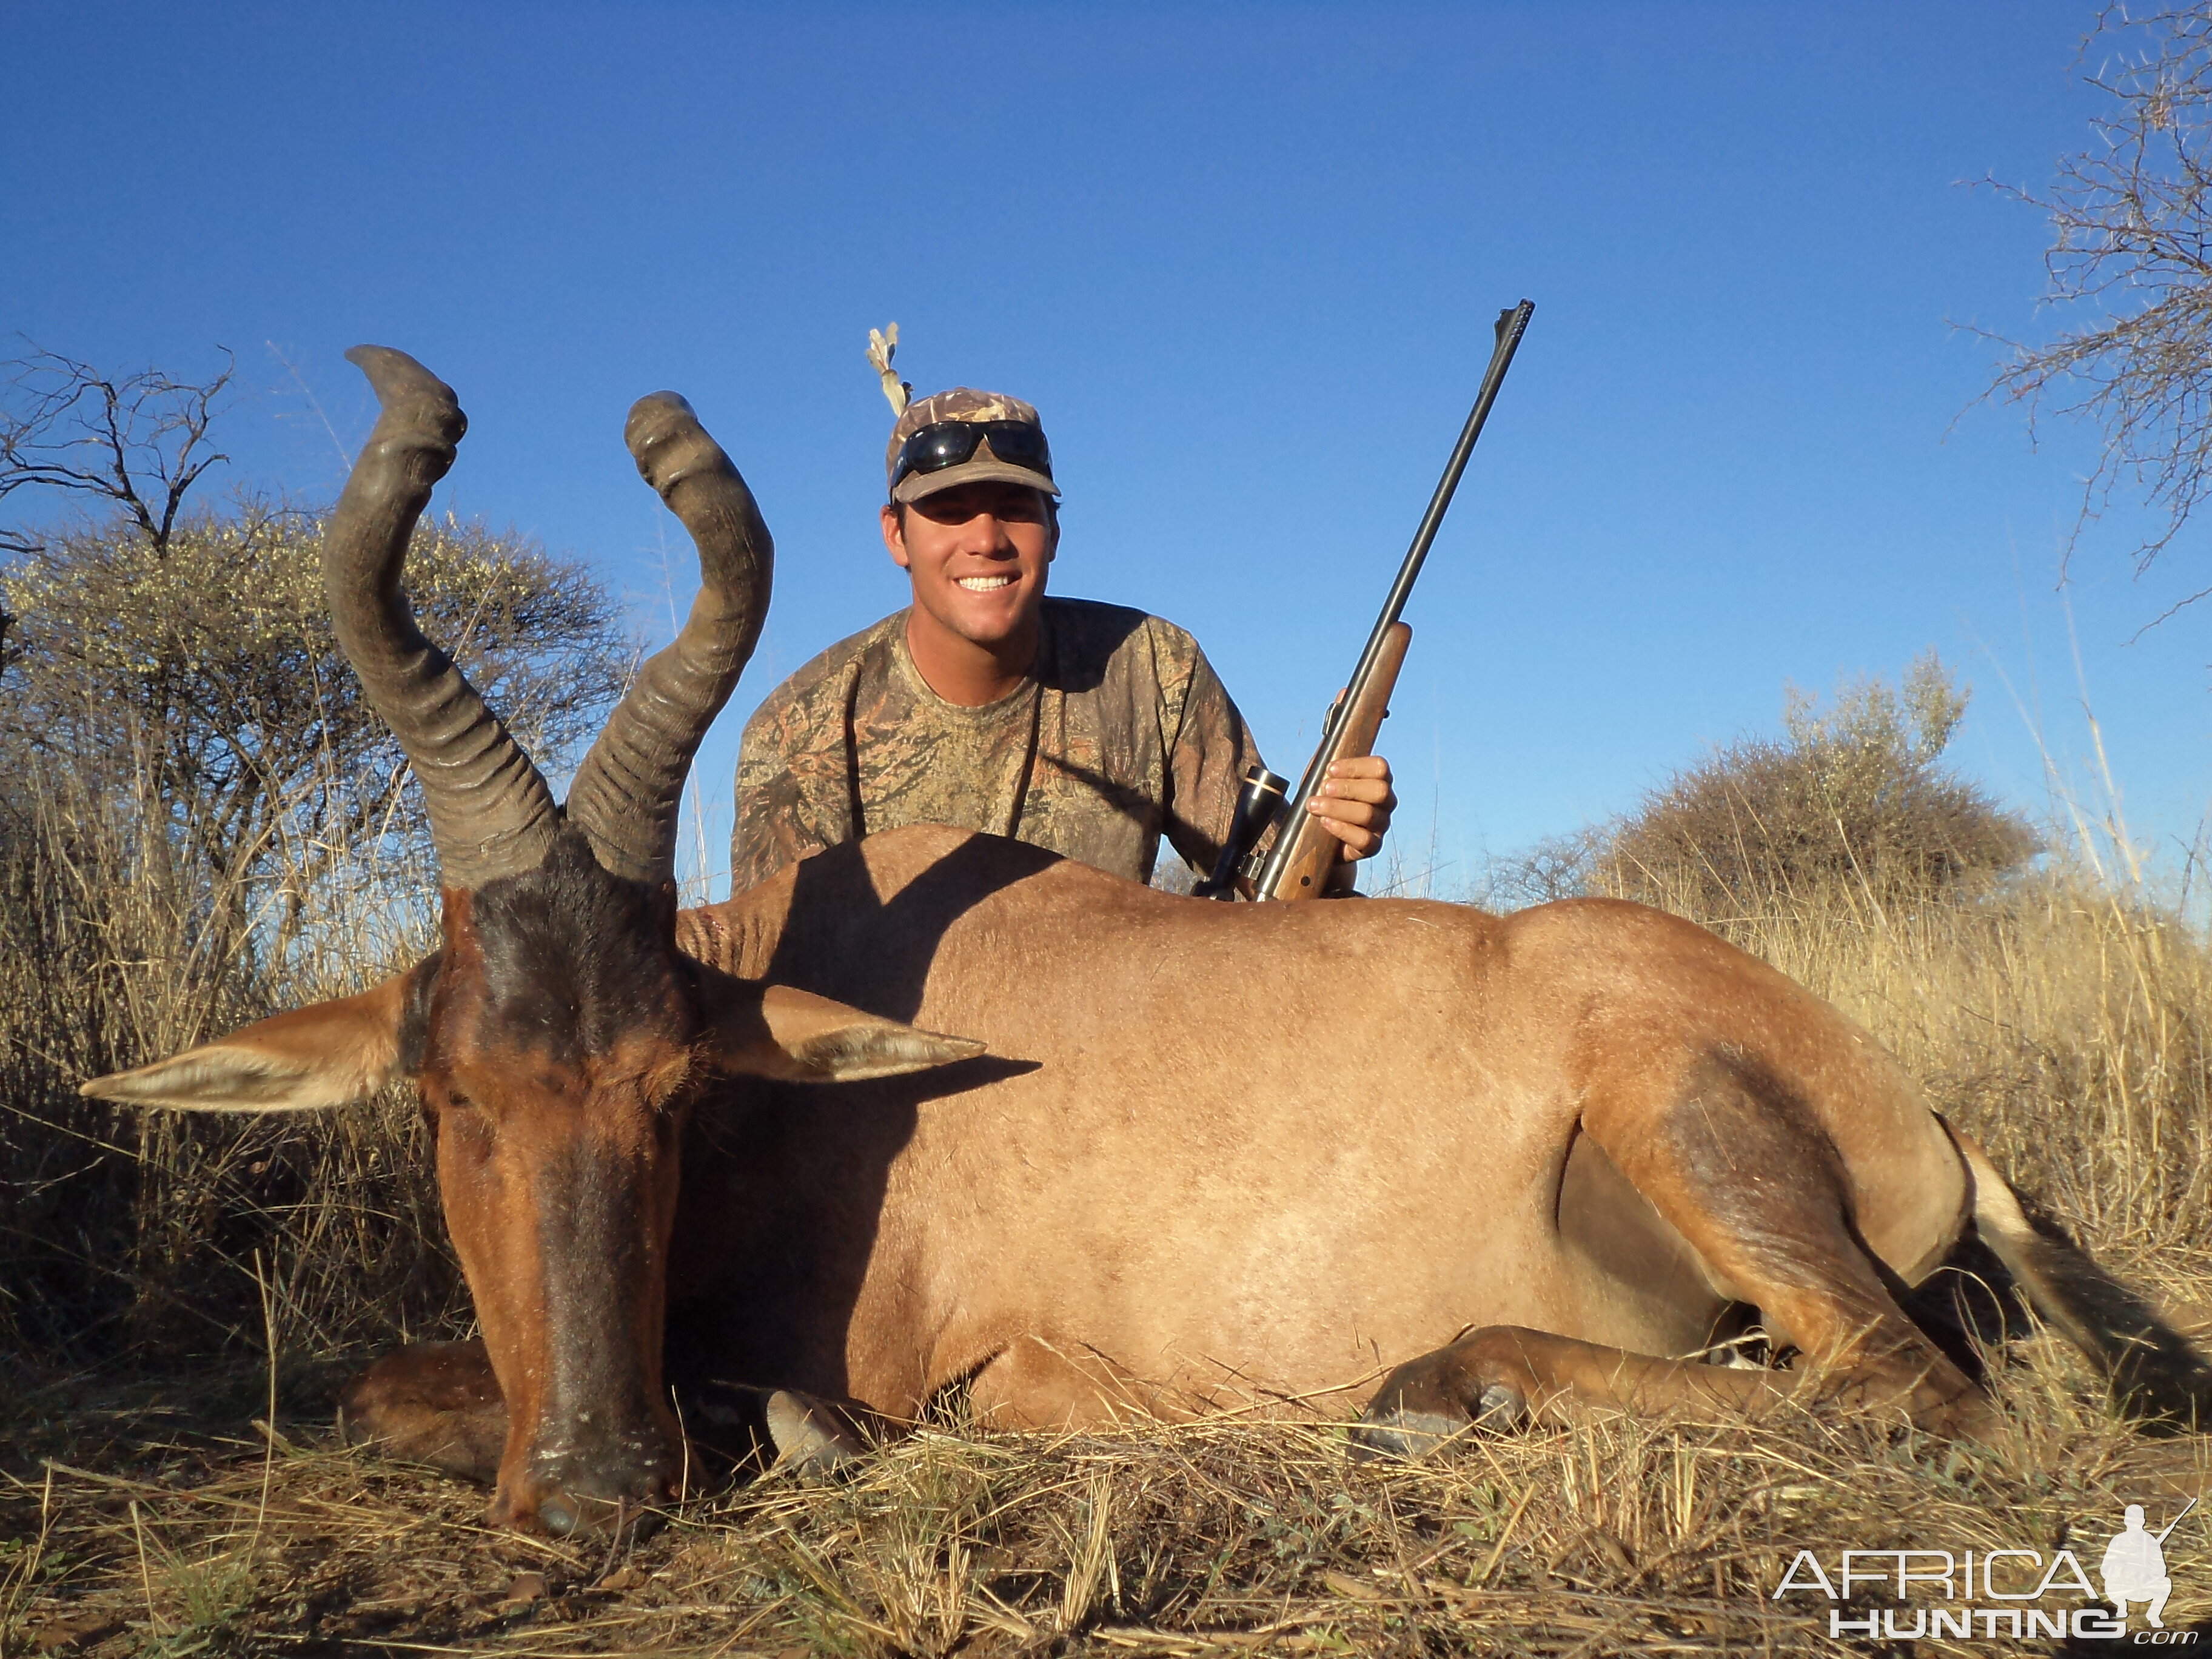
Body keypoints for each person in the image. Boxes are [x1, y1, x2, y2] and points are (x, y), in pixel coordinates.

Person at [730, 381, 1396, 894]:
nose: (987, 540)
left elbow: (1269, 889)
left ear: (1054, 532)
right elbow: (776, 977)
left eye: (1016, 510)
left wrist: (1332, 835)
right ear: (896, 535)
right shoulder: (799, 727)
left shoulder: (1157, 667)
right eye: (950, 512)